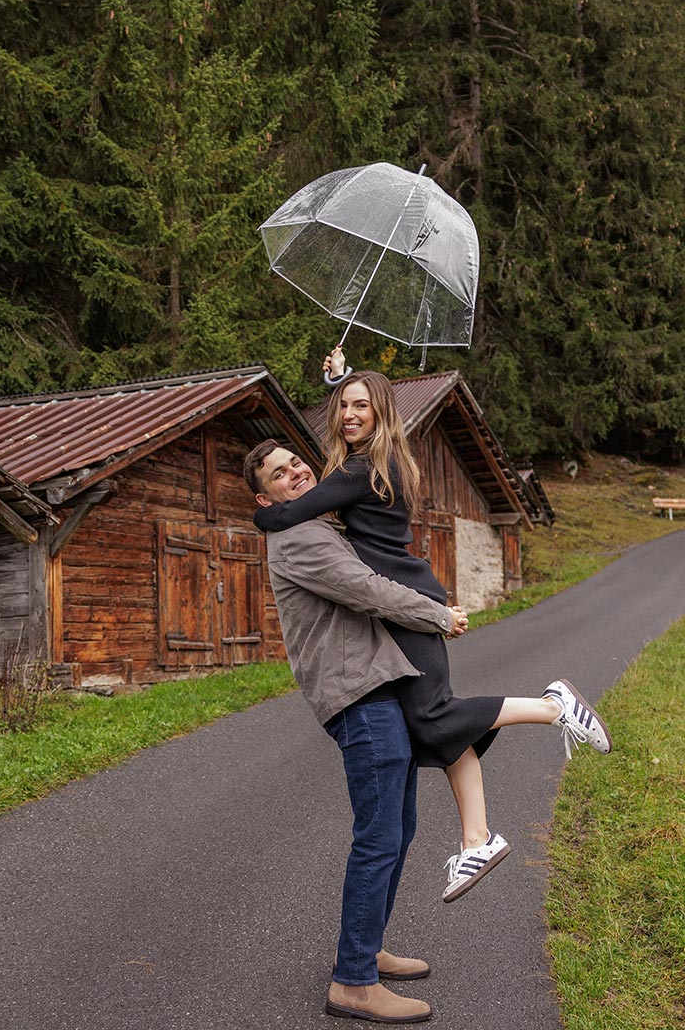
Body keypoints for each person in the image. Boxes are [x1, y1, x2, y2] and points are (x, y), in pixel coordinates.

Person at [253, 350, 612, 903]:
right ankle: (478, 837)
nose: (348, 414)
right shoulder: (378, 460)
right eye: (343, 407)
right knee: (432, 727)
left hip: (408, 601)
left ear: (382, 414)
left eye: (360, 408)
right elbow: (339, 436)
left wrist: (261, 514)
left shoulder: (357, 474)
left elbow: (287, 511)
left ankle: (552, 706)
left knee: (434, 715)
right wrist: (340, 380)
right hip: (410, 594)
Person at [244, 438, 464, 1025]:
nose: (294, 473)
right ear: (265, 496)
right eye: (278, 474)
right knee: (378, 835)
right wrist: (438, 614)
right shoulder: (299, 536)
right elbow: (366, 590)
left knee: (400, 825)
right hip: (357, 695)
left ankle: (366, 949)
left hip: (376, 685)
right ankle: (353, 982)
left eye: (296, 463)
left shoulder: (321, 521)